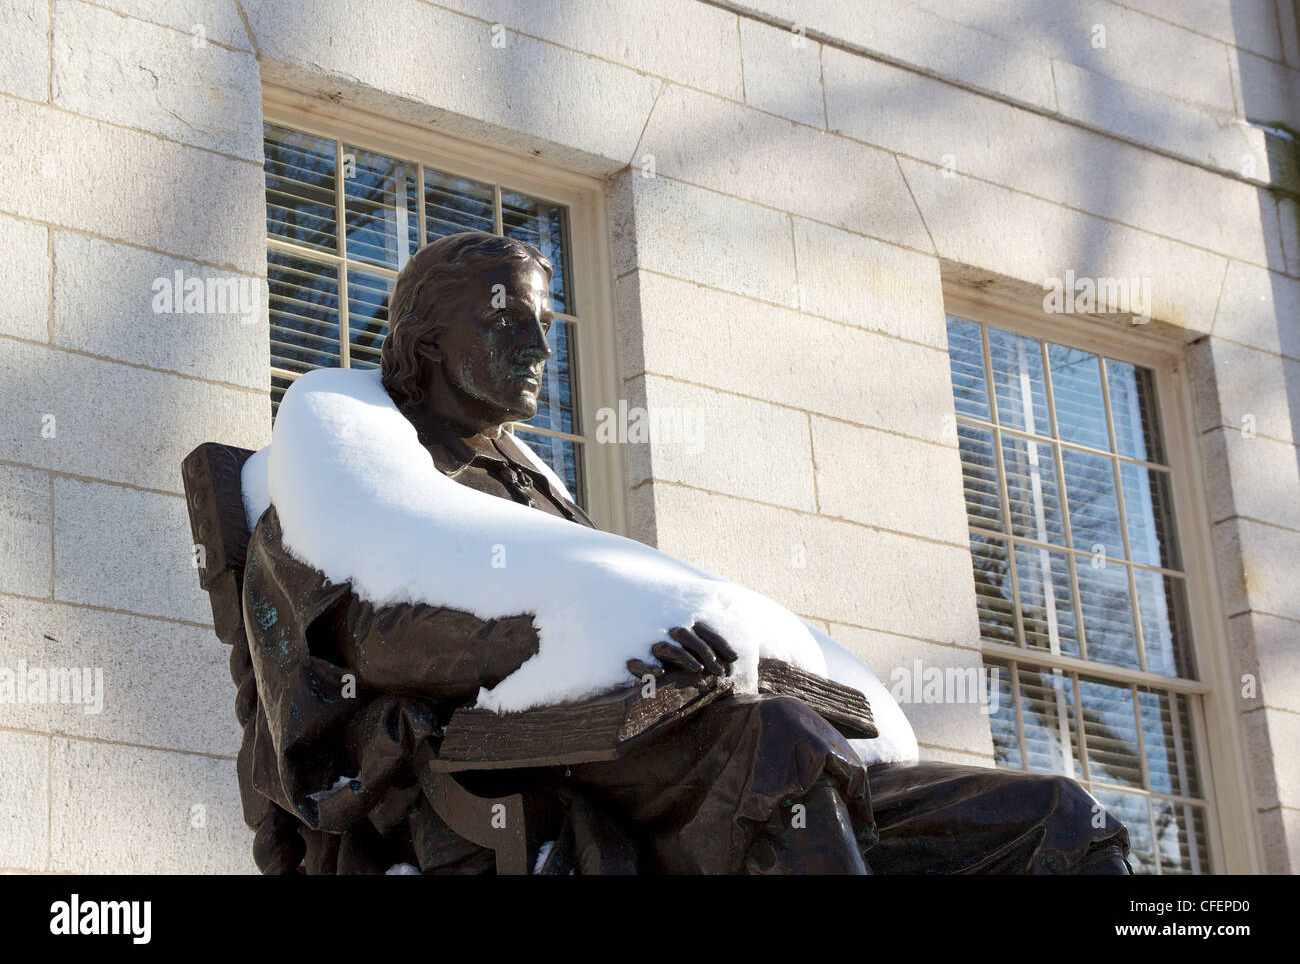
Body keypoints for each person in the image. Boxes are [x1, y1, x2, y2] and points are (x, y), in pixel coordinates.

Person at [239, 231, 1131, 874]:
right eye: (510, 322)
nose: (542, 347)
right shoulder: (340, 471)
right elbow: (376, 638)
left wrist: (705, 655)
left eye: (546, 323)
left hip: (712, 739)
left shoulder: (534, 483)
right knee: (779, 745)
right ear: (429, 339)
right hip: (542, 764)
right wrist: (603, 646)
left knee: (1057, 815)